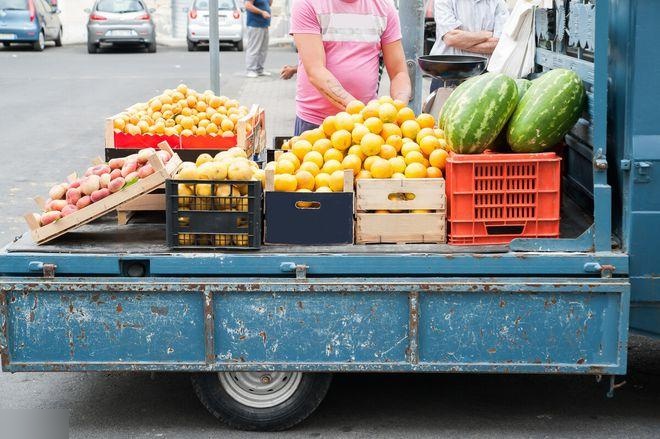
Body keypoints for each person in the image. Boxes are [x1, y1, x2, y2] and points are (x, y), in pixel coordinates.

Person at [290, 0, 411, 135]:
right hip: (317, 122)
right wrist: (361, 111)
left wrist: (399, 109)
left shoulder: (384, 7)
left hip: (367, 126)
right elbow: (315, 71)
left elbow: (399, 73)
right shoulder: (307, 3)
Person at [430, 0, 509, 91]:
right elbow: (451, 38)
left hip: (484, 76)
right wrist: (487, 35)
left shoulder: (498, 2)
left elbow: (499, 43)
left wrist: (461, 42)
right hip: (447, 75)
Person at [244, 0, 273, 78]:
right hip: (255, 24)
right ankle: (250, 70)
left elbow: (269, 4)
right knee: (254, 48)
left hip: (264, 24)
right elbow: (247, 5)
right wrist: (262, 12)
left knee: (263, 50)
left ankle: (259, 69)